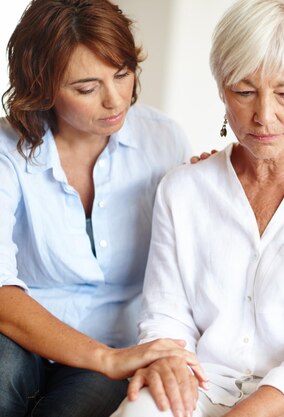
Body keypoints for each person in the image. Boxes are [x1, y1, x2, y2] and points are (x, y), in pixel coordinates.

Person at [111, 0, 284, 416]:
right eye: (244, 91)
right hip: (207, 381)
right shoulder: (182, 189)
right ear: (221, 88)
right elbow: (165, 315)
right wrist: (169, 362)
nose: (264, 115)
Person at [0, 1, 207, 416]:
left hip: (120, 341)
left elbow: (191, 258)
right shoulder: (6, 150)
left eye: (122, 74)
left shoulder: (163, 139)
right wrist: (105, 358)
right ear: (42, 87)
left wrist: (209, 192)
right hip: (23, 339)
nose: (115, 101)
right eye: (86, 88)